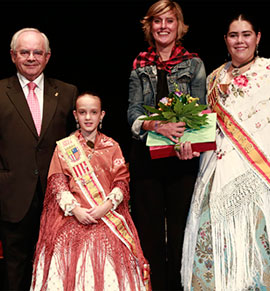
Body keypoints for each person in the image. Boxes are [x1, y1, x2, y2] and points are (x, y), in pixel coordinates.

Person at [180, 13, 270, 291]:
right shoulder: (213, 78)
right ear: (225, 40)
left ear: (258, 37)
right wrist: (187, 142)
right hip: (214, 172)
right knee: (211, 239)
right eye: (234, 35)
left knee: (254, 241)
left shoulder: (268, 72)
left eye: (246, 34)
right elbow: (207, 125)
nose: (240, 41)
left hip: (257, 172)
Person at [30, 92, 151, 291]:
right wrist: (75, 209)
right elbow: (58, 183)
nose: (88, 117)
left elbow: (121, 182)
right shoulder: (64, 148)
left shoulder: (112, 146)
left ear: (101, 115)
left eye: (93, 112)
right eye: (83, 112)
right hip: (72, 218)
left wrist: (106, 206)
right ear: (75, 115)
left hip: (108, 218)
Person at [127, 0, 206, 289]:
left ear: (179, 26)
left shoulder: (194, 63)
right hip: (146, 158)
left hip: (181, 159)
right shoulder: (139, 63)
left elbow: (202, 111)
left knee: (181, 233)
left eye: (169, 21)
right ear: (150, 26)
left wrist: (189, 143)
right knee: (149, 234)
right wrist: (153, 125)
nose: (163, 27)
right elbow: (133, 112)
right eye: (157, 21)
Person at [0, 27, 78, 290]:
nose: (31, 57)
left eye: (37, 52)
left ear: (47, 56)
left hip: (56, 198)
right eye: (24, 52)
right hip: (12, 196)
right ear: (13, 56)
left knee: (55, 267)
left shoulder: (68, 93)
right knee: (15, 269)